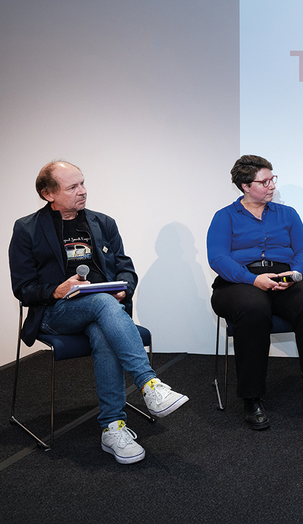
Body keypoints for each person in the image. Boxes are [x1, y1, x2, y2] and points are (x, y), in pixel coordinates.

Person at [9, 160, 189, 464]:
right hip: (56, 313)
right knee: (105, 304)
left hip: (99, 311)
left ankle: (113, 428)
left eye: (82, 183)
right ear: (48, 194)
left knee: (103, 323)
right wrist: (56, 290)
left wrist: (124, 288)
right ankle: (149, 384)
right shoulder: (27, 229)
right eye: (72, 187)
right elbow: (23, 288)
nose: (83, 192)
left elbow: (125, 268)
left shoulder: (103, 222)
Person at [207, 155, 303, 430]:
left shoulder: (288, 214)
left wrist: (293, 275)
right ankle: (252, 397)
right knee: (253, 309)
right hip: (237, 281)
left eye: (272, 179)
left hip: (283, 276)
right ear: (245, 186)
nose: (271, 185)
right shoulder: (224, 216)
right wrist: (252, 279)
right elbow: (217, 258)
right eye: (264, 181)